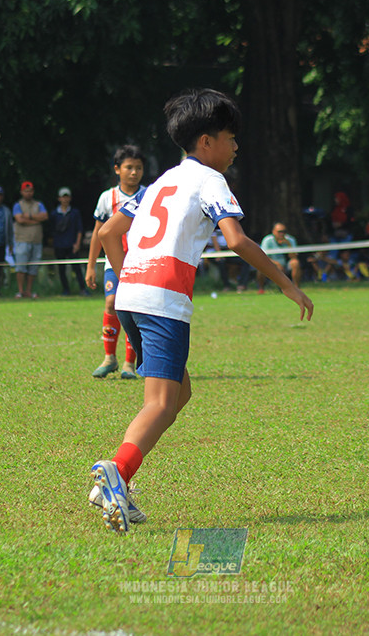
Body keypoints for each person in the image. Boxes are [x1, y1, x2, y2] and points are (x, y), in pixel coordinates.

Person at [87, 87, 314, 534]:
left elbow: (111, 232)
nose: (235, 148)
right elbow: (238, 240)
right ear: (206, 141)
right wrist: (287, 283)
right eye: (230, 138)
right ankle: (115, 472)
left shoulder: (162, 182)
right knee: (162, 402)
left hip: (131, 297)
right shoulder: (211, 181)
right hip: (163, 300)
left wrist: (131, 276)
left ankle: (119, 482)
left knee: (180, 393)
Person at [85, 145, 147, 379]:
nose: (134, 172)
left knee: (133, 308)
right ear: (117, 169)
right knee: (111, 303)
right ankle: (110, 358)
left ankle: (130, 364)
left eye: (138, 168)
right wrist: (91, 266)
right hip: (114, 261)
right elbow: (98, 232)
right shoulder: (107, 198)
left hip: (140, 262)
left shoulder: (149, 195)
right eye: (129, 167)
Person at [12, 180, 48, 299]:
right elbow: (19, 220)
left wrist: (29, 217)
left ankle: (28, 291)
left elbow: (45, 216)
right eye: (26, 191)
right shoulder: (18, 205)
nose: (28, 193)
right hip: (22, 240)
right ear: (22, 192)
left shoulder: (39, 204)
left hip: (36, 241)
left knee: (33, 267)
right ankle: (20, 291)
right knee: (21, 266)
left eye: (30, 191)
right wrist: (36, 221)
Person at [50, 187, 88, 296]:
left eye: (67, 197)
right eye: (63, 197)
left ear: (70, 198)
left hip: (72, 244)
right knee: (61, 269)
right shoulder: (54, 214)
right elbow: (52, 230)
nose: (65, 199)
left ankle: (83, 289)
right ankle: (65, 290)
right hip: (59, 245)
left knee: (77, 268)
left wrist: (77, 243)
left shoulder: (75, 213)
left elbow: (79, 229)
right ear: (59, 198)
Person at [257, 222, 301, 292]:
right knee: (260, 267)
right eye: (279, 232)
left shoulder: (290, 240)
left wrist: (288, 244)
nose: (282, 234)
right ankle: (261, 288)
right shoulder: (267, 240)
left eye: (284, 232)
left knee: (295, 263)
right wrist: (276, 264)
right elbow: (263, 256)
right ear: (273, 232)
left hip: (286, 264)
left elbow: (294, 257)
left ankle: (296, 288)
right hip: (271, 263)